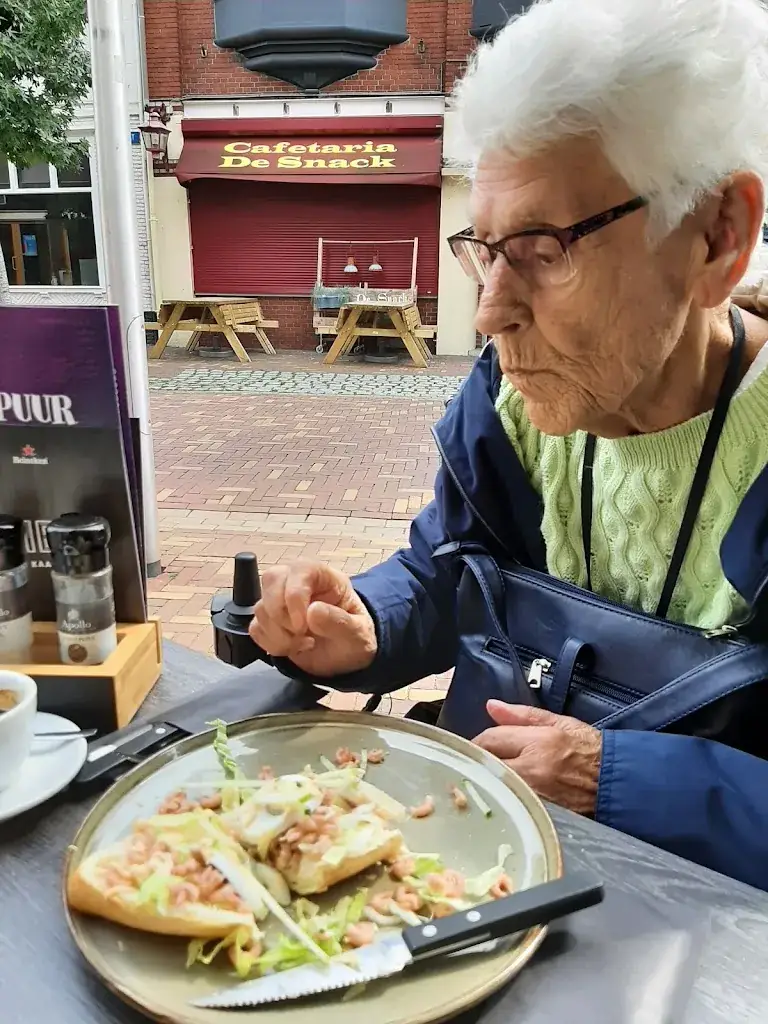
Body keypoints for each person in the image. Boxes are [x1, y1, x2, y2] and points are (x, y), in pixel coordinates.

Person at [249, 0, 768, 890]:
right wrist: (366, 622)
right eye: (484, 250)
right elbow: (453, 571)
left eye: (541, 248)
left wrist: (622, 780)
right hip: (458, 872)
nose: (489, 313)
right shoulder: (508, 400)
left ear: (717, 237)